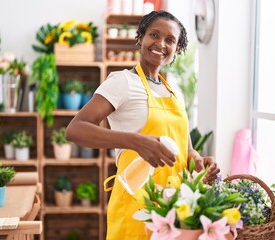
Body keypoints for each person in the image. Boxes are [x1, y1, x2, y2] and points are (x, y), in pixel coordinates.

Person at [66, 10, 220, 240]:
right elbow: (75, 129)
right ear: (140, 38)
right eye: (154, 35)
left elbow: (185, 148)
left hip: (174, 206)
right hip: (137, 203)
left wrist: (198, 162)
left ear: (176, 50)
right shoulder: (122, 82)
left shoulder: (173, 90)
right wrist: (137, 142)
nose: (160, 43)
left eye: (170, 40)